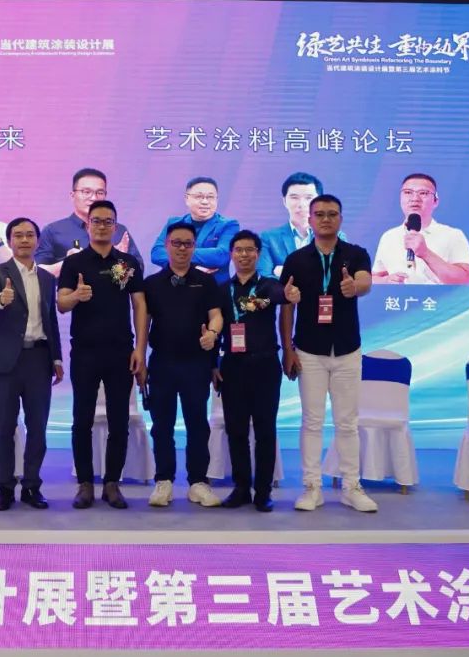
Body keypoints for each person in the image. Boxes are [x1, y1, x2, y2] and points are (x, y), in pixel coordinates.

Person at [279, 195, 378, 513]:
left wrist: (355, 287)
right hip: (309, 350)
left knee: (347, 422)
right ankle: (312, 487)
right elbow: (286, 306)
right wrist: (287, 349)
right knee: (312, 421)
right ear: (310, 220)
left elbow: (365, 281)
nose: (325, 219)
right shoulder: (296, 259)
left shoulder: (355, 254)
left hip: (347, 349)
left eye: (332, 214)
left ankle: (351, 487)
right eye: (319, 214)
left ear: (340, 219)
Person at [57, 200, 147, 509]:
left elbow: (139, 306)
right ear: (88, 225)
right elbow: (61, 304)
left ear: (115, 226)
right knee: (81, 419)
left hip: (121, 351)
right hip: (85, 351)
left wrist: (140, 349)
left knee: (118, 420)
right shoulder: (74, 263)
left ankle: (112, 483)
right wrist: (76, 296)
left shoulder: (128, 262)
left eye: (108, 221)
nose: (102, 226)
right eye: (96, 221)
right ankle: (85, 483)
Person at [212, 230, 299, 512]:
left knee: (264, 430)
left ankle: (263, 491)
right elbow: (214, 327)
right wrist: (214, 364)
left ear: (258, 254)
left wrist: (288, 294)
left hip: (264, 365)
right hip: (232, 366)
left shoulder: (268, 285)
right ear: (231, 254)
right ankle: (240, 488)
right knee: (236, 430)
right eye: (239, 250)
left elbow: (279, 296)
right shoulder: (222, 289)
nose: (244, 255)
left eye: (250, 250)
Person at [0, 217, 64, 511]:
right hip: (6, 362)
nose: (25, 240)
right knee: (5, 427)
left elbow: (51, 320)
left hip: (38, 359)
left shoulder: (47, 278)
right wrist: (1, 300)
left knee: (37, 428)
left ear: (37, 241)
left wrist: (56, 357)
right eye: (18, 235)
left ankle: (32, 486)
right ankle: (4, 488)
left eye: (30, 235)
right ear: (10, 241)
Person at [143, 222, 224, 508]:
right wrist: (140, 358)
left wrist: (212, 334)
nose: (181, 249)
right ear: (166, 246)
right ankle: (163, 480)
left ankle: (198, 482)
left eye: (187, 244)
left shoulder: (206, 281)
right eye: (176, 243)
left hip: (196, 363)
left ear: (194, 247)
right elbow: (143, 324)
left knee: (197, 424)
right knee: (161, 425)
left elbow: (216, 315)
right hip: (162, 363)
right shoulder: (152, 284)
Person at [36, 167, 144, 276]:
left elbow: (139, 270)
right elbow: (37, 273)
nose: (93, 198)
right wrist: (70, 262)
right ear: (73, 195)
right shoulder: (53, 231)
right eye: (86, 192)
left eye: (100, 193)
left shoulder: (119, 230)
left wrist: (119, 260)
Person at [373, 173, 469, 285]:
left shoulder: (453, 235)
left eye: (423, 193)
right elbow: (374, 278)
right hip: (399, 297)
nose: (415, 198)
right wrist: (386, 280)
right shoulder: (389, 236)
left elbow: (465, 280)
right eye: (408, 192)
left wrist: (425, 253)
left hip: (439, 296)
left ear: (435, 201)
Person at [150, 177, 239, 285]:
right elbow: (157, 253)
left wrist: (177, 255)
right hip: (179, 286)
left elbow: (222, 255)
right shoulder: (174, 223)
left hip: (214, 288)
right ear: (187, 199)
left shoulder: (229, 225)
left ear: (217, 199)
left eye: (210, 197)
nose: (205, 202)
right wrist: (192, 267)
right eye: (199, 196)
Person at [256, 172, 344, 279]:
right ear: (284, 201)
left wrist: (286, 272)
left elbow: (338, 275)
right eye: (294, 197)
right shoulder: (268, 238)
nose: (301, 204)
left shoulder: (336, 236)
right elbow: (263, 278)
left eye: (308, 198)